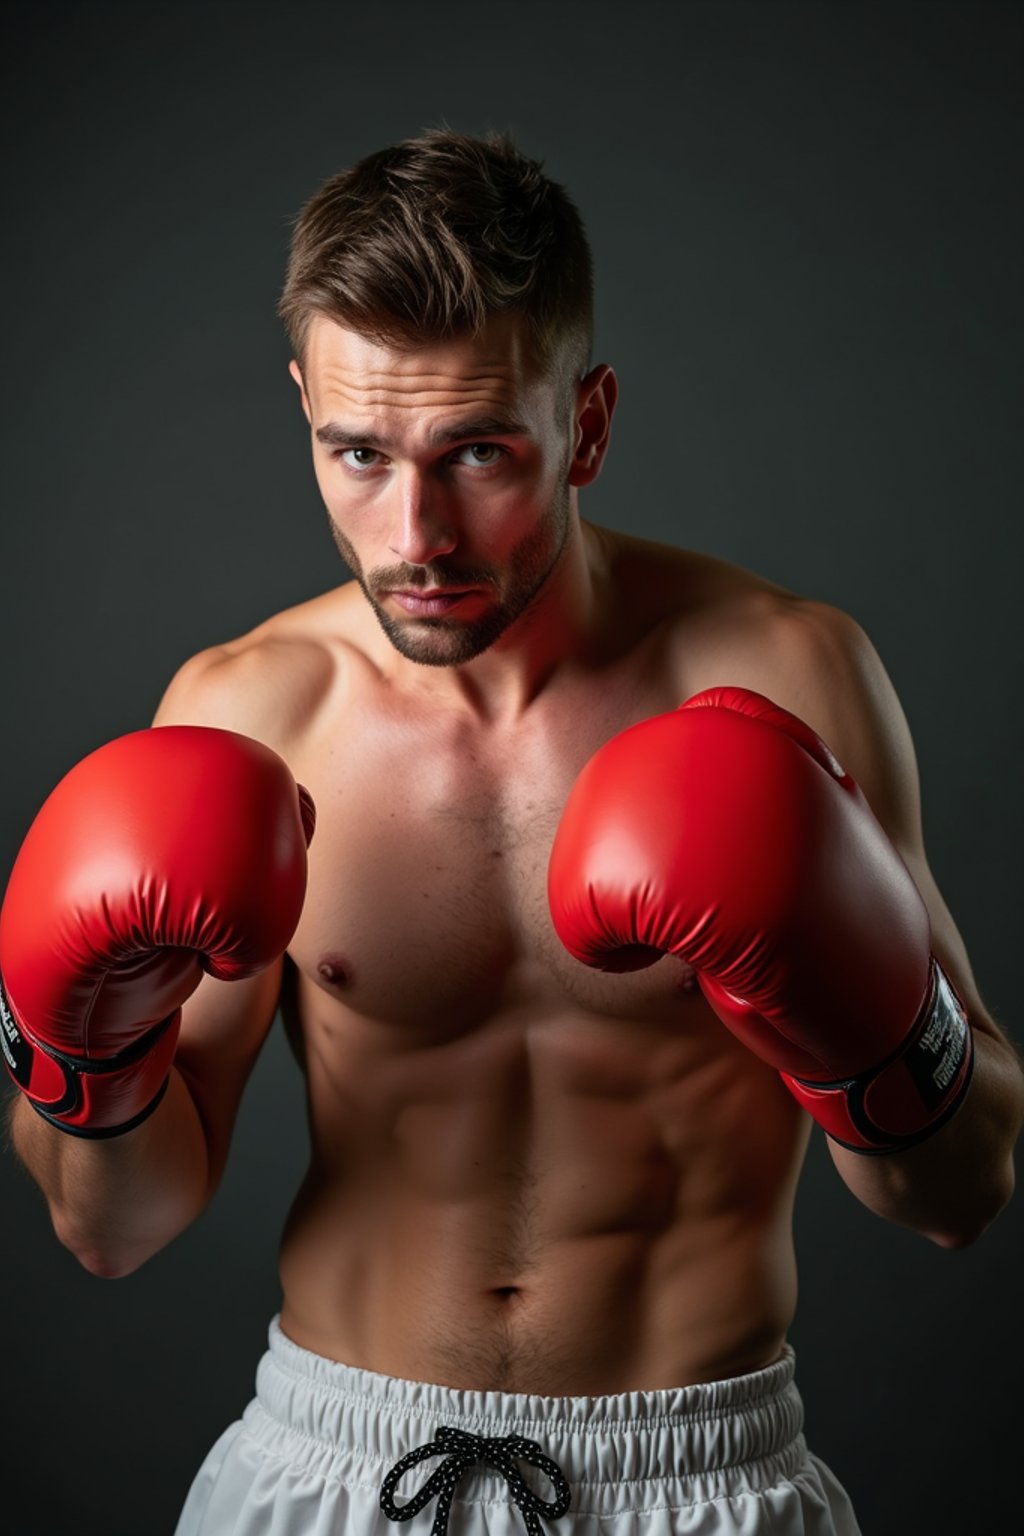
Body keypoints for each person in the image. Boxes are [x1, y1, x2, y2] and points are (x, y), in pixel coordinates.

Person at [2, 130, 1021, 1536]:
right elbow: (111, 1229)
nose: (412, 532)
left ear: (587, 425)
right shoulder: (250, 713)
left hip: (698, 1479)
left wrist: (869, 1027)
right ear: (302, 405)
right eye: (355, 453)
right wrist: (81, 1049)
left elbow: (959, 1194)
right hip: (333, 1467)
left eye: (477, 452)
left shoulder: (794, 672)